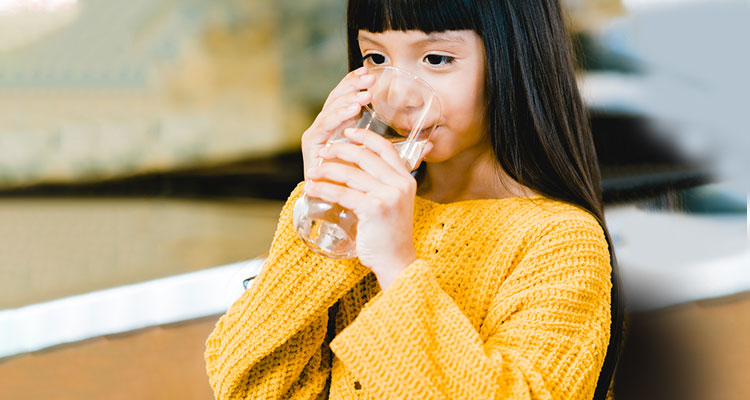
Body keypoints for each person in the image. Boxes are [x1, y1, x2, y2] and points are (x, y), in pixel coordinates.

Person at [204, 0, 624, 399]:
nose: (397, 96)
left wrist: (396, 265)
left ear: (515, 58)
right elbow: (244, 387)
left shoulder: (561, 241)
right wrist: (327, 211)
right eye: (376, 59)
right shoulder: (366, 211)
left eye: (437, 59)